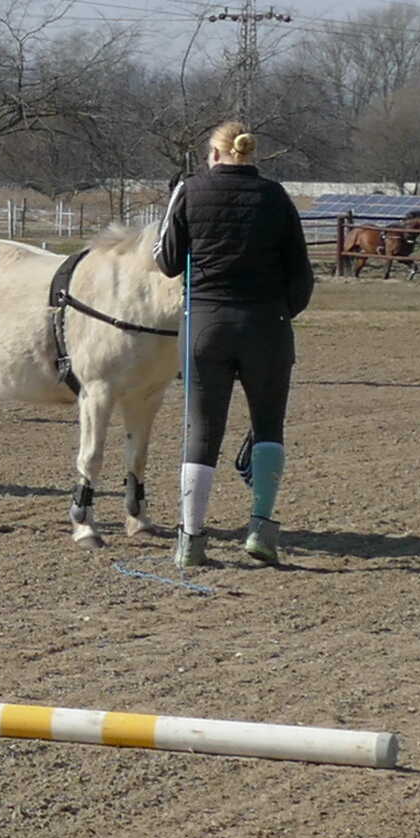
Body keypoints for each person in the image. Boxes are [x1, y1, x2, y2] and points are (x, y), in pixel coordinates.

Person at [150, 120, 313, 572]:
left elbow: (166, 261)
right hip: (267, 325)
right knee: (268, 427)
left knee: (202, 432)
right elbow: (301, 274)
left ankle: (191, 538)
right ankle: (261, 528)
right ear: (249, 153)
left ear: (214, 154)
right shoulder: (276, 196)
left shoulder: (189, 191)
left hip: (205, 324)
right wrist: (281, 314)